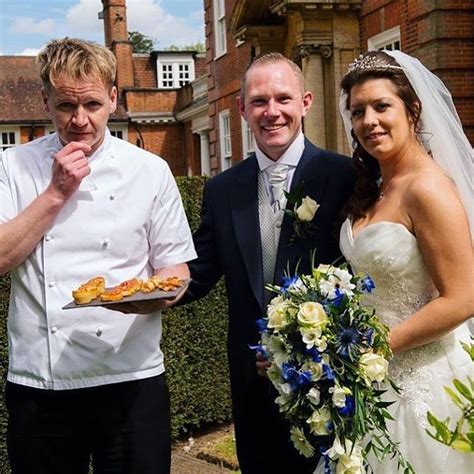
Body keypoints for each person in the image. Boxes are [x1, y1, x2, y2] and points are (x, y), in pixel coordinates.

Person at [0, 38, 196, 474]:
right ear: (46, 101)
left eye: (91, 103)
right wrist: (55, 193)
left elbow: (175, 268)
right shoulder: (13, 166)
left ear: (112, 99)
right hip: (41, 382)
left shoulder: (149, 170)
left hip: (131, 376)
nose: (80, 120)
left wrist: (160, 295)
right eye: (66, 106)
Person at [182, 52, 355, 473]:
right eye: (259, 101)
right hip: (252, 384)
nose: (271, 112)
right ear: (241, 109)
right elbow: (200, 271)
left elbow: (363, 277)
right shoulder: (223, 190)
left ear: (306, 102)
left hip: (330, 383)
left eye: (283, 98)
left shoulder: (345, 177)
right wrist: (144, 290)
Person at [337, 50, 473, 473]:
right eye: (358, 111)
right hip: (374, 381)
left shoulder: (428, 188)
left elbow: (463, 299)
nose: (368, 121)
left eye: (382, 106)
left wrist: (375, 348)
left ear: (413, 110)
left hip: (426, 379)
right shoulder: (376, 186)